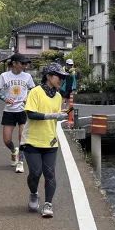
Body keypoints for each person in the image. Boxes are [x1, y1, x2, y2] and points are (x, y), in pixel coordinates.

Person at [22, 62, 69, 218]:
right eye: (59, 76)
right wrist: (53, 115)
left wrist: (61, 116)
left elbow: (54, 118)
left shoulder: (58, 96)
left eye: (63, 77)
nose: (61, 79)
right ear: (48, 76)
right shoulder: (35, 92)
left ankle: (48, 204)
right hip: (32, 140)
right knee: (35, 173)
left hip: (50, 141)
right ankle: (34, 193)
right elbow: (31, 114)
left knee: (50, 173)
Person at [0, 53, 34, 173]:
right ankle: (13, 151)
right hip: (9, 111)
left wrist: (28, 98)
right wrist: (5, 98)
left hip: (23, 110)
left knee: (22, 138)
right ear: (14, 63)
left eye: (26, 63)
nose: (25, 65)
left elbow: (33, 90)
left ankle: (20, 162)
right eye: (23, 63)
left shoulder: (27, 76)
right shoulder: (4, 76)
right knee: (6, 140)